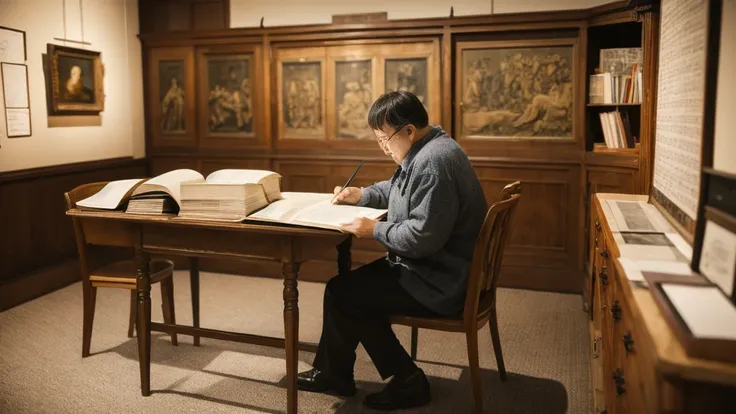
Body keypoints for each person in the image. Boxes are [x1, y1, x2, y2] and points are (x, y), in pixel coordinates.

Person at [296, 91, 489, 410]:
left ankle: (407, 379)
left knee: (347, 294)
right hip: (440, 267)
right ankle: (334, 373)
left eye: (385, 138)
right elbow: (397, 187)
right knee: (346, 290)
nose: (382, 147)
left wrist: (374, 230)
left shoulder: (432, 163)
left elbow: (422, 238)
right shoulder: (432, 146)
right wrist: (362, 195)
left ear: (409, 130)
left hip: (440, 280)